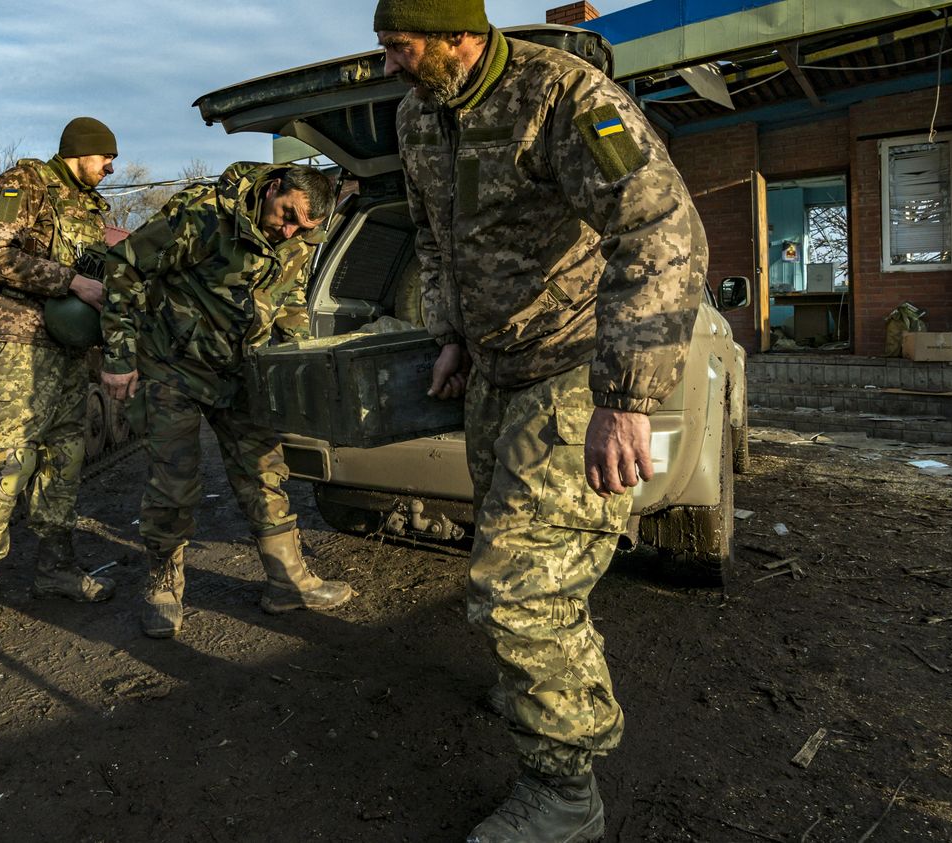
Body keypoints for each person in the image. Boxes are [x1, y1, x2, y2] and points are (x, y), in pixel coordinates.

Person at [373, 1, 707, 840]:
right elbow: (433, 237)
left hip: (573, 365)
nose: (388, 67)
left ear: (460, 37)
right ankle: (535, 685)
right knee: (516, 561)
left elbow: (661, 227)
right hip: (494, 371)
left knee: (520, 586)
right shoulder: (418, 114)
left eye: (401, 48)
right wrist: (449, 334)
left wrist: (625, 397)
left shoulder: (560, 96)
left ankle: (564, 792)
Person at [99, 162, 354, 639]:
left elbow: (292, 302)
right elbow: (125, 264)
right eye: (287, 215)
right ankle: (163, 584)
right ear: (273, 187)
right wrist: (118, 353)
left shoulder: (298, 239)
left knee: (265, 469)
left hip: (241, 373)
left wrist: (289, 365)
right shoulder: (203, 216)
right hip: (172, 365)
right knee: (174, 479)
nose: (290, 230)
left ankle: (287, 581)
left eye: (304, 226)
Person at [0, 117, 121, 661]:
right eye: (106, 158)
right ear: (80, 152)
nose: (111, 167)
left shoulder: (90, 208)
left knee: (65, 457)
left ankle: (56, 570)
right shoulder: (24, 185)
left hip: (67, 349)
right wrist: (71, 282)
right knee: (7, 462)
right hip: (18, 342)